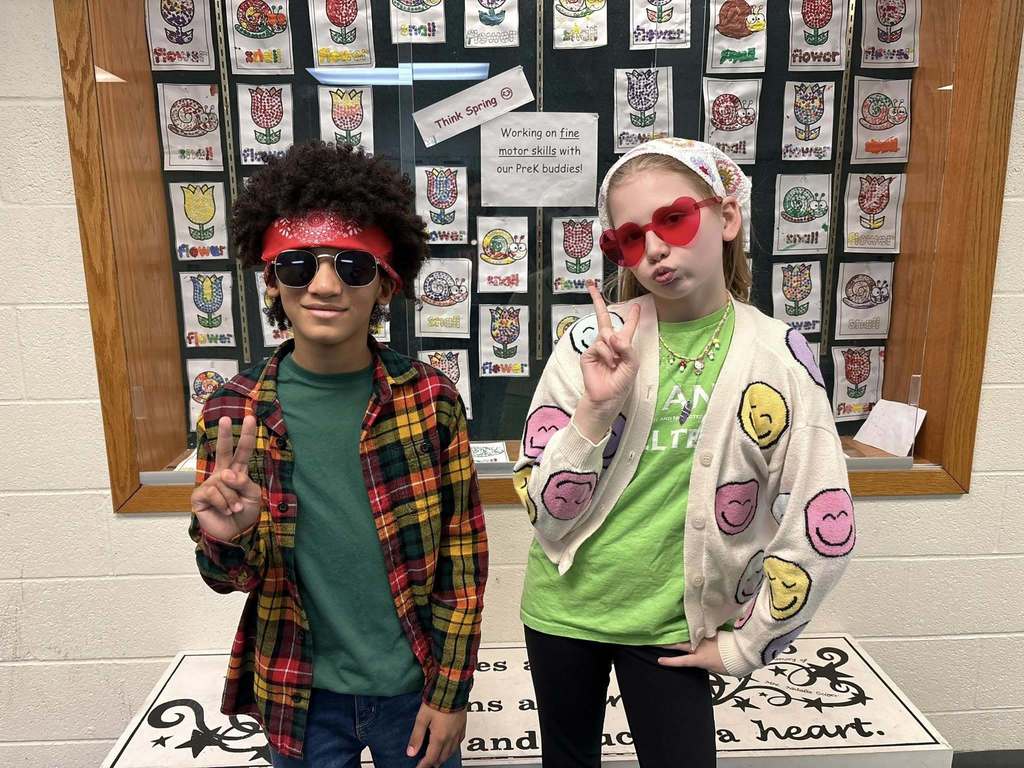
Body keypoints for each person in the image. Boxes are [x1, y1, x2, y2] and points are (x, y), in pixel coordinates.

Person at [513, 137, 855, 768]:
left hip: (675, 628)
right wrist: (594, 412)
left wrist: (748, 644)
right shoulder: (591, 341)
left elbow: (823, 518)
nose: (656, 251)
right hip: (564, 612)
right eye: (631, 238)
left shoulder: (777, 356)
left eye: (674, 218)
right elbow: (545, 513)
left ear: (726, 217)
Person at [188, 141, 488, 768]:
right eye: (299, 265)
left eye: (353, 266)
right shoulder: (230, 414)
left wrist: (451, 691)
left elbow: (463, 558)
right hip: (298, 694)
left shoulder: (431, 400)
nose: (325, 285)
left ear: (386, 283)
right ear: (272, 280)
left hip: (414, 692)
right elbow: (228, 579)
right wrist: (227, 539)